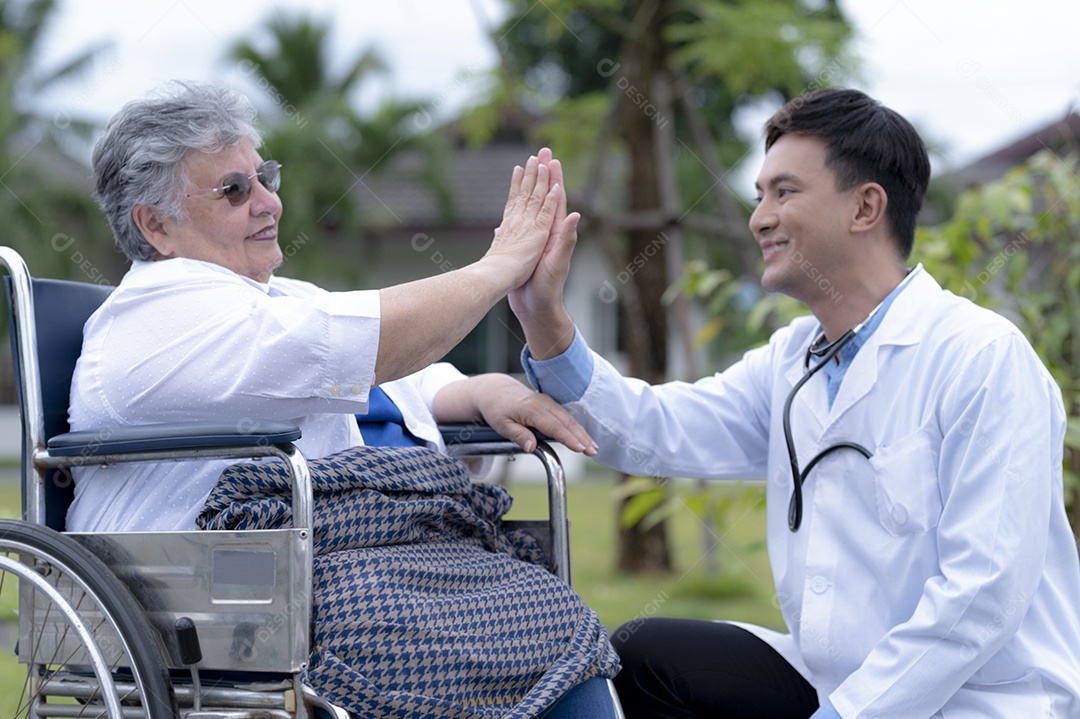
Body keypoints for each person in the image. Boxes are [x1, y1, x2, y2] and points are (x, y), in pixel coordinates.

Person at [511, 87, 1080, 718]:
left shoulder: (980, 358)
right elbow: (655, 430)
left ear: (866, 206)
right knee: (646, 657)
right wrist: (546, 318)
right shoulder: (794, 359)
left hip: (981, 699)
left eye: (785, 192)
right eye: (759, 196)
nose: (759, 217)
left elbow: (983, 594)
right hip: (834, 681)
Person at [66, 80, 618, 718]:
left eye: (264, 176)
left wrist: (478, 388)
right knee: (477, 639)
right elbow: (360, 344)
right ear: (155, 223)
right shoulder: (159, 310)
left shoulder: (279, 300)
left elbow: (401, 377)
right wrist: (498, 267)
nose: (269, 202)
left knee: (553, 627)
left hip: (340, 557)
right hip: (212, 588)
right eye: (234, 190)